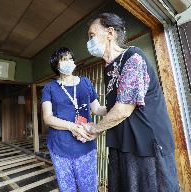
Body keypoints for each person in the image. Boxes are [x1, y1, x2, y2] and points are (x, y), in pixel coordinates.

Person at [82, 13, 179, 192]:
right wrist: (92, 108)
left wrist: (93, 129)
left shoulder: (132, 57)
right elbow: (112, 108)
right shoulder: (108, 68)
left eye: (92, 35)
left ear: (110, 33)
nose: (89, 42)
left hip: (146, 145)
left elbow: (123, 110)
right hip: (123, 143)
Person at [41, 47, 106, 192]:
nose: (69, 62)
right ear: (56, 65)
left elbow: (97, 109)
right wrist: (73, 126)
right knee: (67, 188)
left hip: (85, 144)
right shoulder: (49, 88)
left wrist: (117, 108)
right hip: (60, 146)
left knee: (89, 187)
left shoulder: (85, 82)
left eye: (71, 59)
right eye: (64, 60)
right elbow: (48, 118)